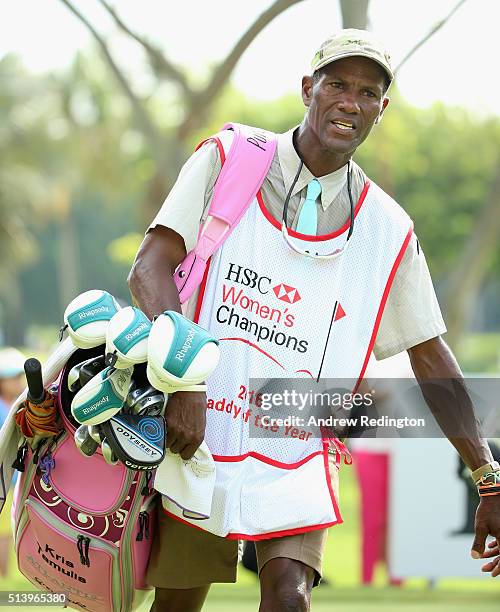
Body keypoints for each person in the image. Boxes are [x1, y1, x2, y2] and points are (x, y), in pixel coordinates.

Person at [129, 29, 500, 612]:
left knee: (289, 597)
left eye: (369, 92)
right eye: (338, 85)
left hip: (294, 434)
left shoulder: (387, 228)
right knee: (178, 603)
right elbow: (149, 269)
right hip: (197, 429)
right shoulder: (229, 160)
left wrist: (487, 475)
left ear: (382, 108)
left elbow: (430, 355)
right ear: (309, 89)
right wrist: (185, 383)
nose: (351, 102)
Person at [0, 347, 25, 576]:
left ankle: (4, 574)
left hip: (13, 478)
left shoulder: (18, 406)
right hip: (2, 476)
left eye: (19, 377)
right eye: (12, 377)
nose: (17, 382)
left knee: (7, 528)